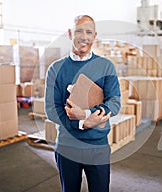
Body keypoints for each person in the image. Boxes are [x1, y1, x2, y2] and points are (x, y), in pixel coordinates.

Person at [45, 15, 121, 192]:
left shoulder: (106, 66)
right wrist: (81, 123)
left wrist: (87, 115)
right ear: (70, 34)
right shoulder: (56, 69)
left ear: (95, 36)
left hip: (98, 146)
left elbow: (114, 102)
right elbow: (51, 109)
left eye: (89, 32)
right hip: (67, 147)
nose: (84, 37)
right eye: (79, 31)